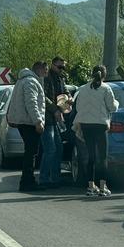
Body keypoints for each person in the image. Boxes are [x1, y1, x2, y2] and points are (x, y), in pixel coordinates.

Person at [72, 65, 119, 197]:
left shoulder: (83, 89)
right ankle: (103, 187)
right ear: (104, 75)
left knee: (91, 156)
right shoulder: (106, 88)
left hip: (86, 125)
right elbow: (112, 107)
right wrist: (117, 103)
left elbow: (79, 106)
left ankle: (91, 186)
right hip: (100, 124)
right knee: (102, 157)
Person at [7, 61, 48, 192]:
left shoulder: (23, 80)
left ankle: (28, 180)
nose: (46, 73)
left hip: (24, 121)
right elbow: (31, 103)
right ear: (40, 69)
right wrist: (38, 121)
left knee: (30, 152)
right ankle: (27, 182)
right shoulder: (31, 82)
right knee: (31, 153)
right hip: (29, 122)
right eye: (45, 70)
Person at [40, 56, 71, 187]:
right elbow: (43, 97)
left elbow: (63, 92)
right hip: (47, 118)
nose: (61, 69)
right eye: (59, 66)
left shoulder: (61, 78)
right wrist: (55, 110)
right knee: (50, 149)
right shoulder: (46, 78)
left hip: (56, 118)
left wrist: (69, 98)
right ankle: (44, 179)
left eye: (63, 67)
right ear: (53, 65)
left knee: (58, 148)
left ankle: (55, 178)